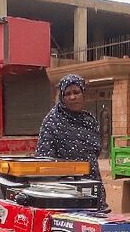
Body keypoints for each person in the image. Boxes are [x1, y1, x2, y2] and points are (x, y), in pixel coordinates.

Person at [36, 74, 108, 211]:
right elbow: (44, 160)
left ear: (83, 94)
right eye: (67, 94)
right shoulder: (52, 121)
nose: (72, 97)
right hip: (65, 191)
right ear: (62, 98)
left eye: (76, 92)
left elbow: (95, 152)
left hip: (92, 185)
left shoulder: (90, 121)